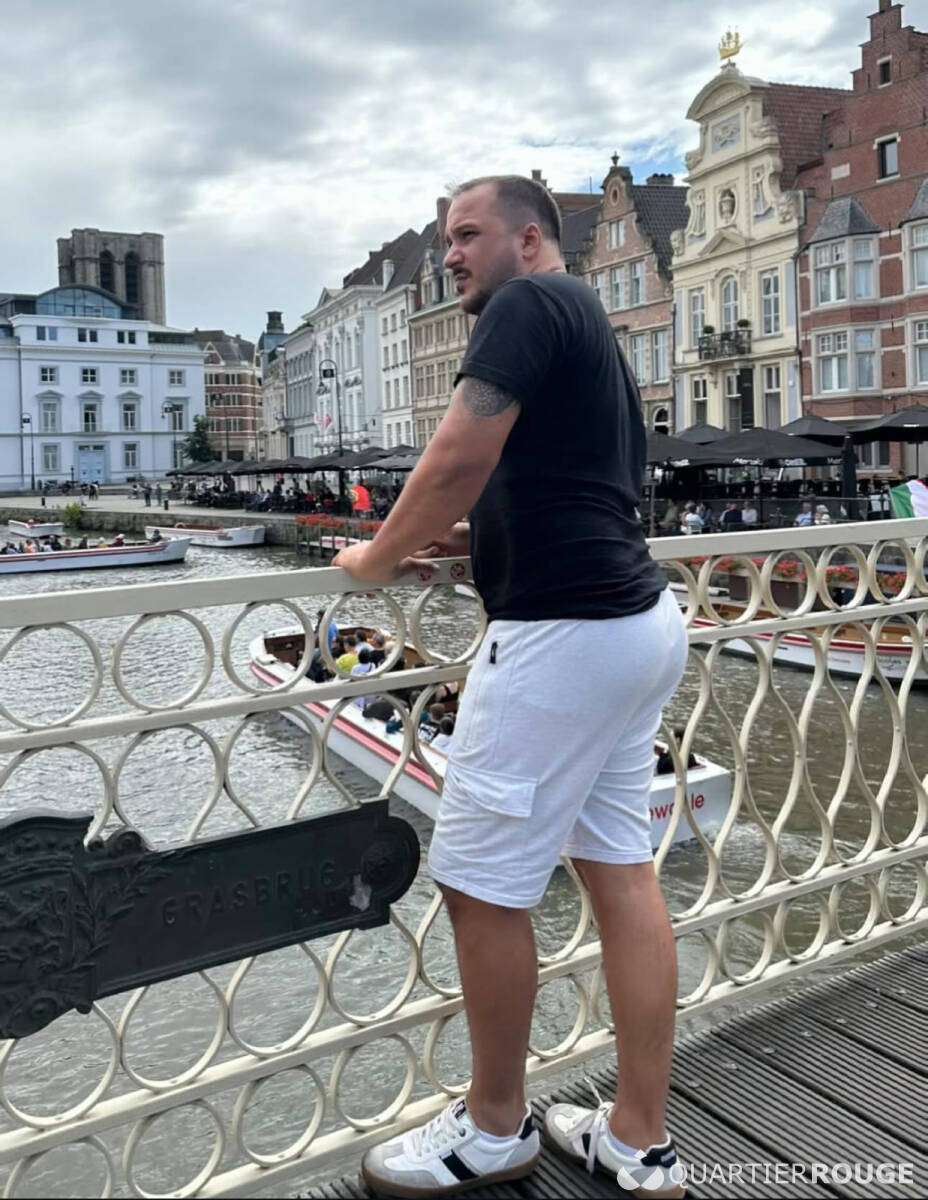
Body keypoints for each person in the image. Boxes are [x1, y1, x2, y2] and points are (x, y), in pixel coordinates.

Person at [334, 173, 687, 1197]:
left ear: (529, 239)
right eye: (446, 239)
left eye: (466, 234)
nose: (449, 255)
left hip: (560, 638)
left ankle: (493, 1128)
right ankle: (638, 1139)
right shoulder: (587, 319)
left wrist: (376, 557)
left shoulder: (527, 302)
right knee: (621, 872)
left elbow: (460, 453)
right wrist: (476, 540)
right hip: (636, 622)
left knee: (481, 885)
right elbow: (561, 478)